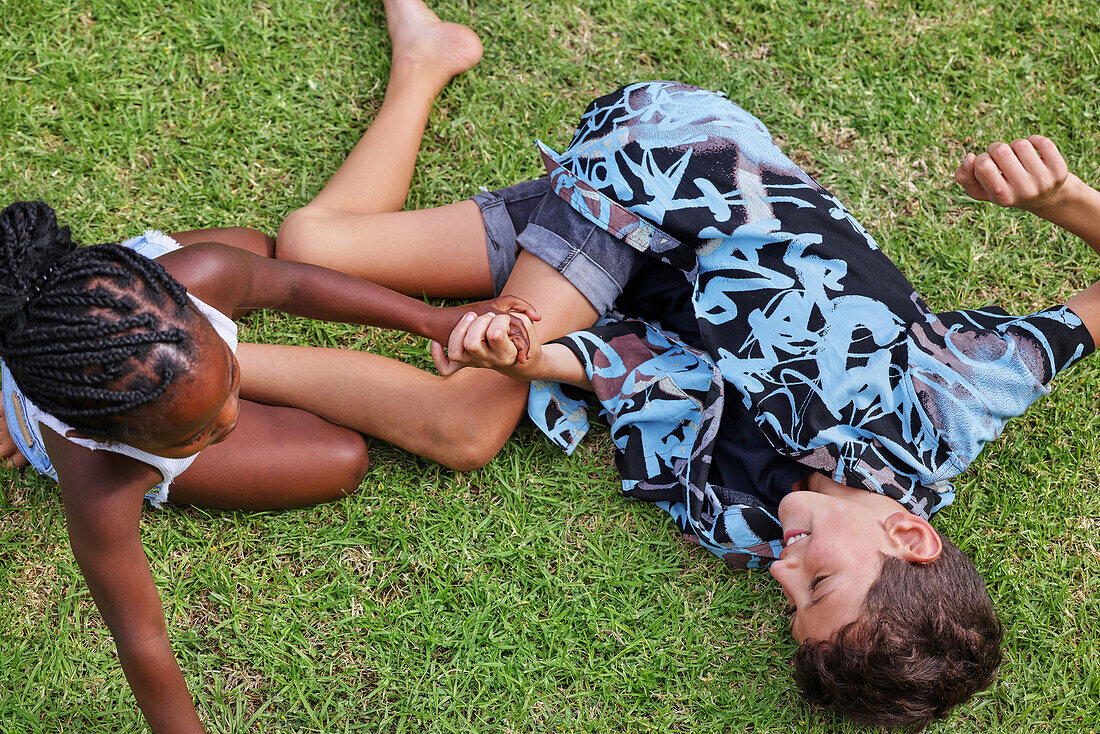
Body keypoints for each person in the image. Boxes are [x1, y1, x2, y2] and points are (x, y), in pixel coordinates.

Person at [433, 82, 1100, 728]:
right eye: (818, 583)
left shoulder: (747, 527)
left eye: (789, 602)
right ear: (908, 537)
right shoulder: (941, 408)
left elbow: (654, 375)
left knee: (326, 247)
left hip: (623, 285)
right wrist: (1063, 198)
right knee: (461, 421)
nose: (783, 570)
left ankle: (425, 59)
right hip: (667, 172)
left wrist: (531, 359)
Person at [0, 3, 538, 732]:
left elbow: (290, 285)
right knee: (339, 459)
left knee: (275, 249)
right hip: (82, 389)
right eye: (195, 430)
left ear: (186, 298)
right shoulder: (102, 481)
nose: (231, 419)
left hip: (115, 319)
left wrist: (430, 319)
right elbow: (143, 639)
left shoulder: (204, 272)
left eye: (226, 385)